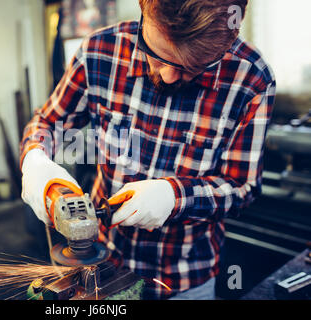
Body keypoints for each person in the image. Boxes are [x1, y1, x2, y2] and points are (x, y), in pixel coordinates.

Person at [20, 0, 275, 299]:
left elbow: (241, 186)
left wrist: (174, 197)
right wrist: (36, 161)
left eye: (190, 68)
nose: (167, 76)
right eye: (156, 54)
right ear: (144, 9)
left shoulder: (251, 78)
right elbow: (48, 123)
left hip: (185, 280)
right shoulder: (98, 52)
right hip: (103, 268)